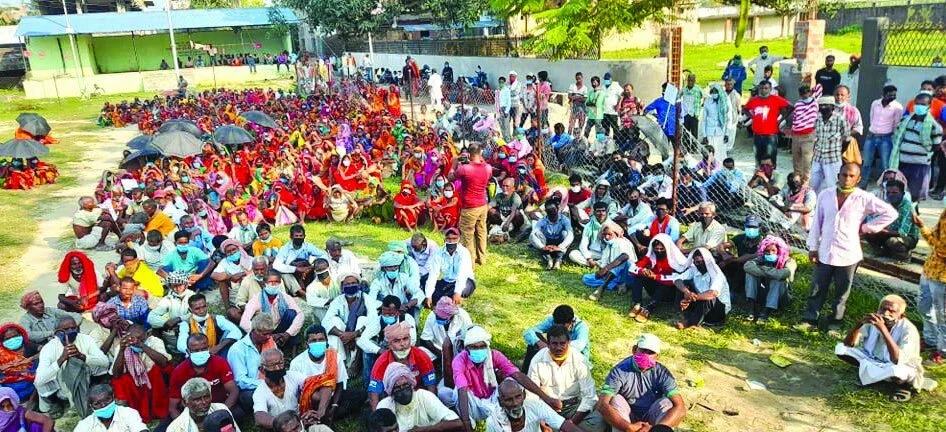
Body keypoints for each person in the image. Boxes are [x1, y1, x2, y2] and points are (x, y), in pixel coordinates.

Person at [803, 163, 898, 331]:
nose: (847, 179)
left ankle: (835, 323)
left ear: (858, 179)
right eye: (844, 175)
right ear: (838, 175)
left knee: (842, 292)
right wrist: (813, 246)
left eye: (851, 176)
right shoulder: (825, 195)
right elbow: (816, 222)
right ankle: (810, 320)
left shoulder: (863, 198)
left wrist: (867, 228)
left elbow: (890, 213)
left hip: (848, 254)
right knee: (817, 288)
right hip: (825, 251)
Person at [446, 326, 555, 430]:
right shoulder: (459, 360)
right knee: (459, 394)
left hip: (493, 396)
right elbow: (462, 389)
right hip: (472, 399)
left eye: (482, 346)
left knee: (512, 383)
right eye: (474, 347)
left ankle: (514, 421)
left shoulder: (494, 355)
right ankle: (469, 421)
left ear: (487, 346)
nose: (478, 350)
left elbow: (517, 375)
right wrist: (466, 421)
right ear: (467, 348)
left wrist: (546, 398)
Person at [835, 295, 928, 402]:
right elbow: (848, 344)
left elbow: (897, 360)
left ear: (901, 316)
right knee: (841, 349)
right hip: (873, 359)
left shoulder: (908, 330)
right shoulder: (872, 322)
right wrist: (859, 324)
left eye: (891, 311)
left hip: (896, 365)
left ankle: (902, 386)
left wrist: (883, 329)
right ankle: (878, 375)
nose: (885, 313)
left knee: (896, 371)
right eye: (883, 309)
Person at [597, 334, 686, 431]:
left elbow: (680, 407)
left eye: (651, 353)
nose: (646, 356)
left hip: (652, 418)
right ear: (634, 350)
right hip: (627, 416)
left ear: (657, 356)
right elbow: (602, 404)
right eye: (643, 350)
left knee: (667, 403)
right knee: (615, 400)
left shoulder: (662, 373)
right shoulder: (619, 371)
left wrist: (656, 429)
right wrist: (628, 427)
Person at [525, 324, 602, 431]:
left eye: (562, 343)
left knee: (599, 421)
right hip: (547, 409)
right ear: (547, 344)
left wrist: (570, 423)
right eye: (554, 343)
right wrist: (541, 421)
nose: (558, 348)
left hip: (574, 408)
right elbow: (531, 396)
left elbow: (589, 396)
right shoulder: (537, 360)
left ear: (569, 343)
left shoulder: (579, 360)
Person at [35, 316, 109, 417]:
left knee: (98, 363)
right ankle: (56, 403)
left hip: (86, 378)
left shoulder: (86, 339)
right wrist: (61, 359)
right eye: (65, 329)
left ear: (77, 328)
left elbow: (105, 362)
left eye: (73, 328)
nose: (71, 331)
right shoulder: (49, 348)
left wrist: (81, 356)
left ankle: (95, 388)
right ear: (57, 332)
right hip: (62, 386)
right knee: (41, 382)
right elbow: (39, 380)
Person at [290, 325, 363, 425]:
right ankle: (320, 416)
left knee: (360, 396)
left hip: (332, 397)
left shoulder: (334, 357)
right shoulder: (297, 363)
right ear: (306, 344)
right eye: (313, 341)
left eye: (321, 340)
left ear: (327, 341)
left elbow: (339, 383)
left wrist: (334, 406)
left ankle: (326, 414)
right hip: (309, 401)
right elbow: (297, 392)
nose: (318, 343)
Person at [367, 322, 437, 411]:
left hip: (417, 395)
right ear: (389, 345)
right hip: (393, 397)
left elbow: (431, 384)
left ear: (410, 339)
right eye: (396, 341)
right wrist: (376, 415)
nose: (402, 344)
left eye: (405, 339)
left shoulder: (421, 356)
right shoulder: (381, 362)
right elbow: (374, 391)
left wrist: (432, 407)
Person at [169, 334, 241, 420]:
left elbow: (233, 391)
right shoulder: (179, 371)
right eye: (196, 350)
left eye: (203, 349)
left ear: (208, 348)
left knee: (238, 414)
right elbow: (173, 407)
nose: (200, 353)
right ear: (188, 352)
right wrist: (185, 423)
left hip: (218, 406)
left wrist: (221, 413)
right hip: (192, 412)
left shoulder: (220, 363)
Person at [109, 323, 170, 423]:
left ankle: (159, 410)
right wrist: (122, 351)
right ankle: (128, 413)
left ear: (147, 335)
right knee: (120, 380)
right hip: (135, 381)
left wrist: (142, 346)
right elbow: (116, 374)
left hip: (154, 379)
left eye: (140, 338)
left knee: (157, 370)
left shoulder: (155, 341)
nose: (136, 341)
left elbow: (163, 363)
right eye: (133, 338)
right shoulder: (122, 345)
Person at [375, 362, 462, 431]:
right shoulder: (385, 406)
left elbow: (456, 423)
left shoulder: (424, 396)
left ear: (411, 384)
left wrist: (426, 430)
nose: (403, 390)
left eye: (405, 385)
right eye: (397, 388)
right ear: (391, 391)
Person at [890, 92, 944, 201]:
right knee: (900, 190)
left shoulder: (934, 126)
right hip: (903, 162)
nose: (919, 107)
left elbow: (936, 145)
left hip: (919, 164)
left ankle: (914, 213)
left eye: (923, 105)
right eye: (917, 104)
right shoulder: (905, 121)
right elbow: (897, 137)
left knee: (916, 193)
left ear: (929, 106)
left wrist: (925, 152)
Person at [487, 376, 587, 432]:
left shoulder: (535, 406)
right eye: (509, 400)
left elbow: (564, 425)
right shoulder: (493, 421)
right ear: (501, 402)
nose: (515, 403)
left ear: (524, 395)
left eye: (518, 397)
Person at [628, 234, 688, 322]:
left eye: (661, 249)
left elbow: (677, 279)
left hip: (670, 292)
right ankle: (637, 303)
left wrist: (656, 276)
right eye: (656, 249)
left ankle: (649, 308)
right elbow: (632, 268)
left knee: (664, 284)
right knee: (639, 276)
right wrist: (643, 271)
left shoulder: (676, 260)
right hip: (655, 289)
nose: (659, 251)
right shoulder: (651, 256)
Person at [227, 314, 278, 416]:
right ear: (254, 331)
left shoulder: (270, 343)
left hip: (270, 381)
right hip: (250, 388)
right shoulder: (238, 349)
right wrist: (265, 384)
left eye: (270, 333)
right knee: (248, 397)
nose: (268, 337)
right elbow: (240, 380)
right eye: (265, 334)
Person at [239, 271, 304, 349]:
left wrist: (288, 333)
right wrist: (265, 334)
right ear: (264, 284)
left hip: (281, 328)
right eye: (270, 282)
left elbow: (300, 314)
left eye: (276, 282)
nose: (273, 285)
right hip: (264, 330)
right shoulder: (257, 299)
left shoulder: (285, 297)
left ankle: (285, 340)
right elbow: (244, 322)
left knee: (292, 313)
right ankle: (276, 343)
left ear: (280, 283)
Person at [451, 144, 492, 265]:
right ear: (481, 153)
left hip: (470, 207)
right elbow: (483, 166)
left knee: (467, 234)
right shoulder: (488, 168)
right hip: (483, 205)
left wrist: (454, 164)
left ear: (468, 154)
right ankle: (482, 258)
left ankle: (470, 262)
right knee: (481, 231)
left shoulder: (465, 169)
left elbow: (450, 178)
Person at [672, 248, 731, 329]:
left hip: (718, 309)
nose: (701, 264)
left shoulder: (717, 274)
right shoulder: (694, 270)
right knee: (684, 284)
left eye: (703, 261)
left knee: (708, 297)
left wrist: (692, 298)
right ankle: (683, 312)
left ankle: (690, 323)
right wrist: (686, 292)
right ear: (694, 262)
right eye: (698, 262)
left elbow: (713, 293)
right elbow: (677, 280)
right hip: (699, 302)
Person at [521, 305, 590, 373]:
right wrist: (539, 342)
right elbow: (529, 332)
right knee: (534, 339)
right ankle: (526, 375)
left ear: (571, 322)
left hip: (571, 357)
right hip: (551, 351)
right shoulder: (552, 320)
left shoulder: (581, 327)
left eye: (563, 327)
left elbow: (580, 345)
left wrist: (555, 347)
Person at [743, 234, 796, 323]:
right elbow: (747, 266)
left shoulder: (789, 261)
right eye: (767, 251)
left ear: (779, 250)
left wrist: (763, 270)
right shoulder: (762, 258)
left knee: (777, 281)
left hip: (781, 297)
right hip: (764, 293)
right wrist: (770, 272)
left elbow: (783, 273)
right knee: (750, 274)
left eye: (773, 250)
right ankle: (751, 309)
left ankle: (766, 313)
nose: (770, 253)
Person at [323, 272, 370, 369]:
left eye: (353, 283)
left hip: (360, 331)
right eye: (347, 284)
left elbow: (373, 320)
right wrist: (343, 335)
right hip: (343, 334)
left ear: (358, 284)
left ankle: (354, 363)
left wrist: (353, 334)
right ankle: (340, 362)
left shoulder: (365, 298)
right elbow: (325, 321)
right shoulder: (338, 300)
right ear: (342, 287)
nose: (351, 286)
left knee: (363, 320)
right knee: (334, 321)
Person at [863, 180, 919, 258]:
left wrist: (883, 231)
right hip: (889, 233)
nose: (891, 195)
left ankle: (904, 256)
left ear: (902, 194)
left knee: (892, 241)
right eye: (888, 193)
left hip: (908, 238)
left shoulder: (908, 207)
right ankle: (881, 251)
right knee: (867, 231)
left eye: (895, 193)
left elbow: (903, 232)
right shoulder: (887, 204)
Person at [252, 348, 306, 429]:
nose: (277, 368)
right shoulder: (260, 392)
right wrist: (282, 425)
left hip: (298, 423)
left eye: (280, 363)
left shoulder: (293, 376)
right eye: (272, 365)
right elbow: (259, 417)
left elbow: (313, 384)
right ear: (262, 369)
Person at [861, 85, 903, 188]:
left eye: (894, 95)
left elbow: (896, 124)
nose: (892, 97)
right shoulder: (875, 103)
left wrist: (887, 133)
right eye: (890, 95)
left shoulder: (897, 107)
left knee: (885, 165)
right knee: (866, 162)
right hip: (871, 136)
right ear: (883, 94)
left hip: (885, 138)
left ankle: (886, 186)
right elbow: (872, 118)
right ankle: (863, 184)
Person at [743, 80, 792, 167]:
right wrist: (752, 117)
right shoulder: (754, 100)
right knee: (758, 157)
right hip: (757, 134)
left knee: (770, 158)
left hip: (771, 134)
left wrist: (780, 120)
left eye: (766, 88)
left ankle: (770, 176)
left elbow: (790, 107)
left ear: (770, 89)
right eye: (761, 88)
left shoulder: (776, 99)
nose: (763, 90)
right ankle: (759, 176)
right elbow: (745, 109)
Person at [177, 293, 242, 357]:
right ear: (190, 310)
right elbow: (181, 344)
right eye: (197, 308)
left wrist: (218, 347)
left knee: (229, 335)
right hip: (197, 355)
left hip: (217, 352)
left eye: (204, 307)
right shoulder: (186, 324)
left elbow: (237, 332)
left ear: (206, 305)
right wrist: (197, 353)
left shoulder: (217, 318)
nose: (202, 311)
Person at [424, 228, 476, 308]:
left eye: (454, 239)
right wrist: (428, 295)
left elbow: (462, 275)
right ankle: (447, 299)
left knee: (464, 289)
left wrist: (457, 292)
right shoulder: (439, 253)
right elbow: (433, 274)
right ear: (444, 239)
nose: (451, 241)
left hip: (465, 280)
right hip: (447, 281)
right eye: (448, 239)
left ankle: (452, 298)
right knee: (426, 285)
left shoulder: (464, 253)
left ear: (459, 239)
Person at [167, 378, 242, 432]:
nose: (203, 402)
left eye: (206, 397)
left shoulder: (221, 409)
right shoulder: (176, 428)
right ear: (185, 402)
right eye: (197, 399)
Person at [273, 225, 328, 298]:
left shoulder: (308, 246)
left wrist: (312, 267)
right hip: (292, 273)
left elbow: (323, 255)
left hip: (307, 271)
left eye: (301, 236)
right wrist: (296, 269)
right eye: (296, 236)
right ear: (291, 237)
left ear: (304, 236)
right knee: (284, 274)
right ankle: (301, 292)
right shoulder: (285, 249)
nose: (298, 238)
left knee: (321, 268)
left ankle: (322, 290)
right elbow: (276, 265)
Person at [585, 222, 637, 300]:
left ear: (616, 234)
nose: (607, 237)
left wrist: (606, 269)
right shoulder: (608, 246)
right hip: (615, 276)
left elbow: (625, 257)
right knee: (587, 278)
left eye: (609, 234)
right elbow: (604, 263)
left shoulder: (621, 242)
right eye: (605, 234)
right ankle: (618, 286)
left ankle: (601, 288)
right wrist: (602, 271)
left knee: (620, 261)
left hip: (628, 274)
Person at [809, 96, 851, 192]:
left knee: (832, 184)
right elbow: (816, 138)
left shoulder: (841, 120)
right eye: (821, 105)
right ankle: (814, 204)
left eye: (826, 105)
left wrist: (840, 152)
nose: (823, 107)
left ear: (832, 107)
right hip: (818, 157)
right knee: (813, 183)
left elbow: (847, 139)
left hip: (833, 158)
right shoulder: (817, 119)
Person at [419, 296, 472, 366]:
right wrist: (442, 355)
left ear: (451, 316)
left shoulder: (462, 316)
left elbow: (470, 338)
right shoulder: (432, 316)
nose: (439, 319)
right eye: (437, 317)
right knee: (421, 353)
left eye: (443, 319)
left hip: (458, 350)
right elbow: (425, 339)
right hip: (438, 348)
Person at [74, 384, 148, 432]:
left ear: (113, 397)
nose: (103, 405)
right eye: (97, 404)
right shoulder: (85, 425)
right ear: (91, 406)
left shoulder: (129, 413)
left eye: (107, 400)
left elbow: (140, 428)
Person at [0, 323, 40, 402]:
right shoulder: (1, 353)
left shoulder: (28, 346)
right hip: (10, 385)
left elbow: (45, 349)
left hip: (31, 381)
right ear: (2, 341)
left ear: (21, 335)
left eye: (15, 336)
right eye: (7, 338)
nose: (12, 339)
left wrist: (30, 359)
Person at [530, 201, 574, 270]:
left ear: (558, 209)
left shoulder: (564, 219)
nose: (552, 213)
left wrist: (560, 246)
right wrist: (542, 247)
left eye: (553, 210)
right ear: (546, 212)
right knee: (537, 234)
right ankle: (549, 260)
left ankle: (558, 260)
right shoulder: (542, 220)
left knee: (565, 233)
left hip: (559, 243)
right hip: (547, 243)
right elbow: (533, 234)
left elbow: (571, 234)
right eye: (549, 211)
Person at [569, 202, 610, 268]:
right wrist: (589, 259)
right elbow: (583, 245)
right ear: (594, 213)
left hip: (607, 253)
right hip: (593, 253)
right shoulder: (589, 226)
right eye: (598, 211)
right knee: (573, 254)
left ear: (606, 212)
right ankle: (595, 264)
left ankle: (599, 264)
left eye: (603, 211)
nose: (601, 214)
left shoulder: (611, 224)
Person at [487, 177, 526, 243]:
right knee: (491, 211)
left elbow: (513, 211)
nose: (504, 188)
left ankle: (515, 231)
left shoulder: (515, 197)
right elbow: (490, 206)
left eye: (507, 186)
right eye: (503, 186)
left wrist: (507, 223)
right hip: (503, 217)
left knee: (517, 213)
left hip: (513, 218)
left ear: (513, 189)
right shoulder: (498, 196)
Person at [701, 84, 729, 159]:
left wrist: (727, 133)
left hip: (721, 131)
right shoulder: (707, 102)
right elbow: (703, 120)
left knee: (720, 153)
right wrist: (704, 135)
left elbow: (727, 120)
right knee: (710, 153)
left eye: (716, 92)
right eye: (712, 92)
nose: (714, 93)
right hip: (709, 131)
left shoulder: (724, 103)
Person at [680, 73, 702, 139]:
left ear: (694, 81)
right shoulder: (684, 89)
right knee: (685, 134)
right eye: (689, 80)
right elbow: (677, 97)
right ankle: (685, 148)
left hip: (694, 115)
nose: (690, 82)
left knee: (694, 135)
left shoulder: (698, 89)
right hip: (686, 114)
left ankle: (694, 149)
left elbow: (706, 96)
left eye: (692, 80)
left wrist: (698, 110)